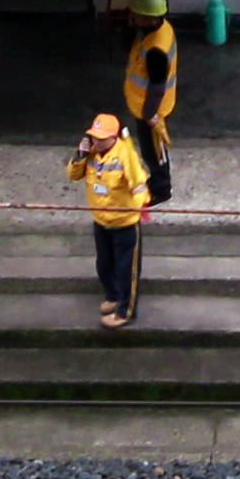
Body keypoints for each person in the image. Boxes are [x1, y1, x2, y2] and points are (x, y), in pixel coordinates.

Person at [67, 111, 153, 327]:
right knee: (104, 264)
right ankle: (112, 297)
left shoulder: (126, 156)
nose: (96, 140)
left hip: (124, 224)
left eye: (101, 137)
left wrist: (138, 207)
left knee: (126, 270)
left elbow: (140, 186)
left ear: (113, 138)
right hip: (101, 220)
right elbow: (73, 175)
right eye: (93, 136)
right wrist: (80, 154)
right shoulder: (92, 153)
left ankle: (125, 311)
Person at [118, 0, 179, 208]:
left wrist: (150, 114)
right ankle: (156, 182)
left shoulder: (156, 50)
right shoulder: (155, 28)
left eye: (138, 14)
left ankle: (161, 190)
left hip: (150, 108)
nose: (133, 15)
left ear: (151, 18)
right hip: (143, 104)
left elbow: (156, 85)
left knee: (154, 151)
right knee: (151, 149)